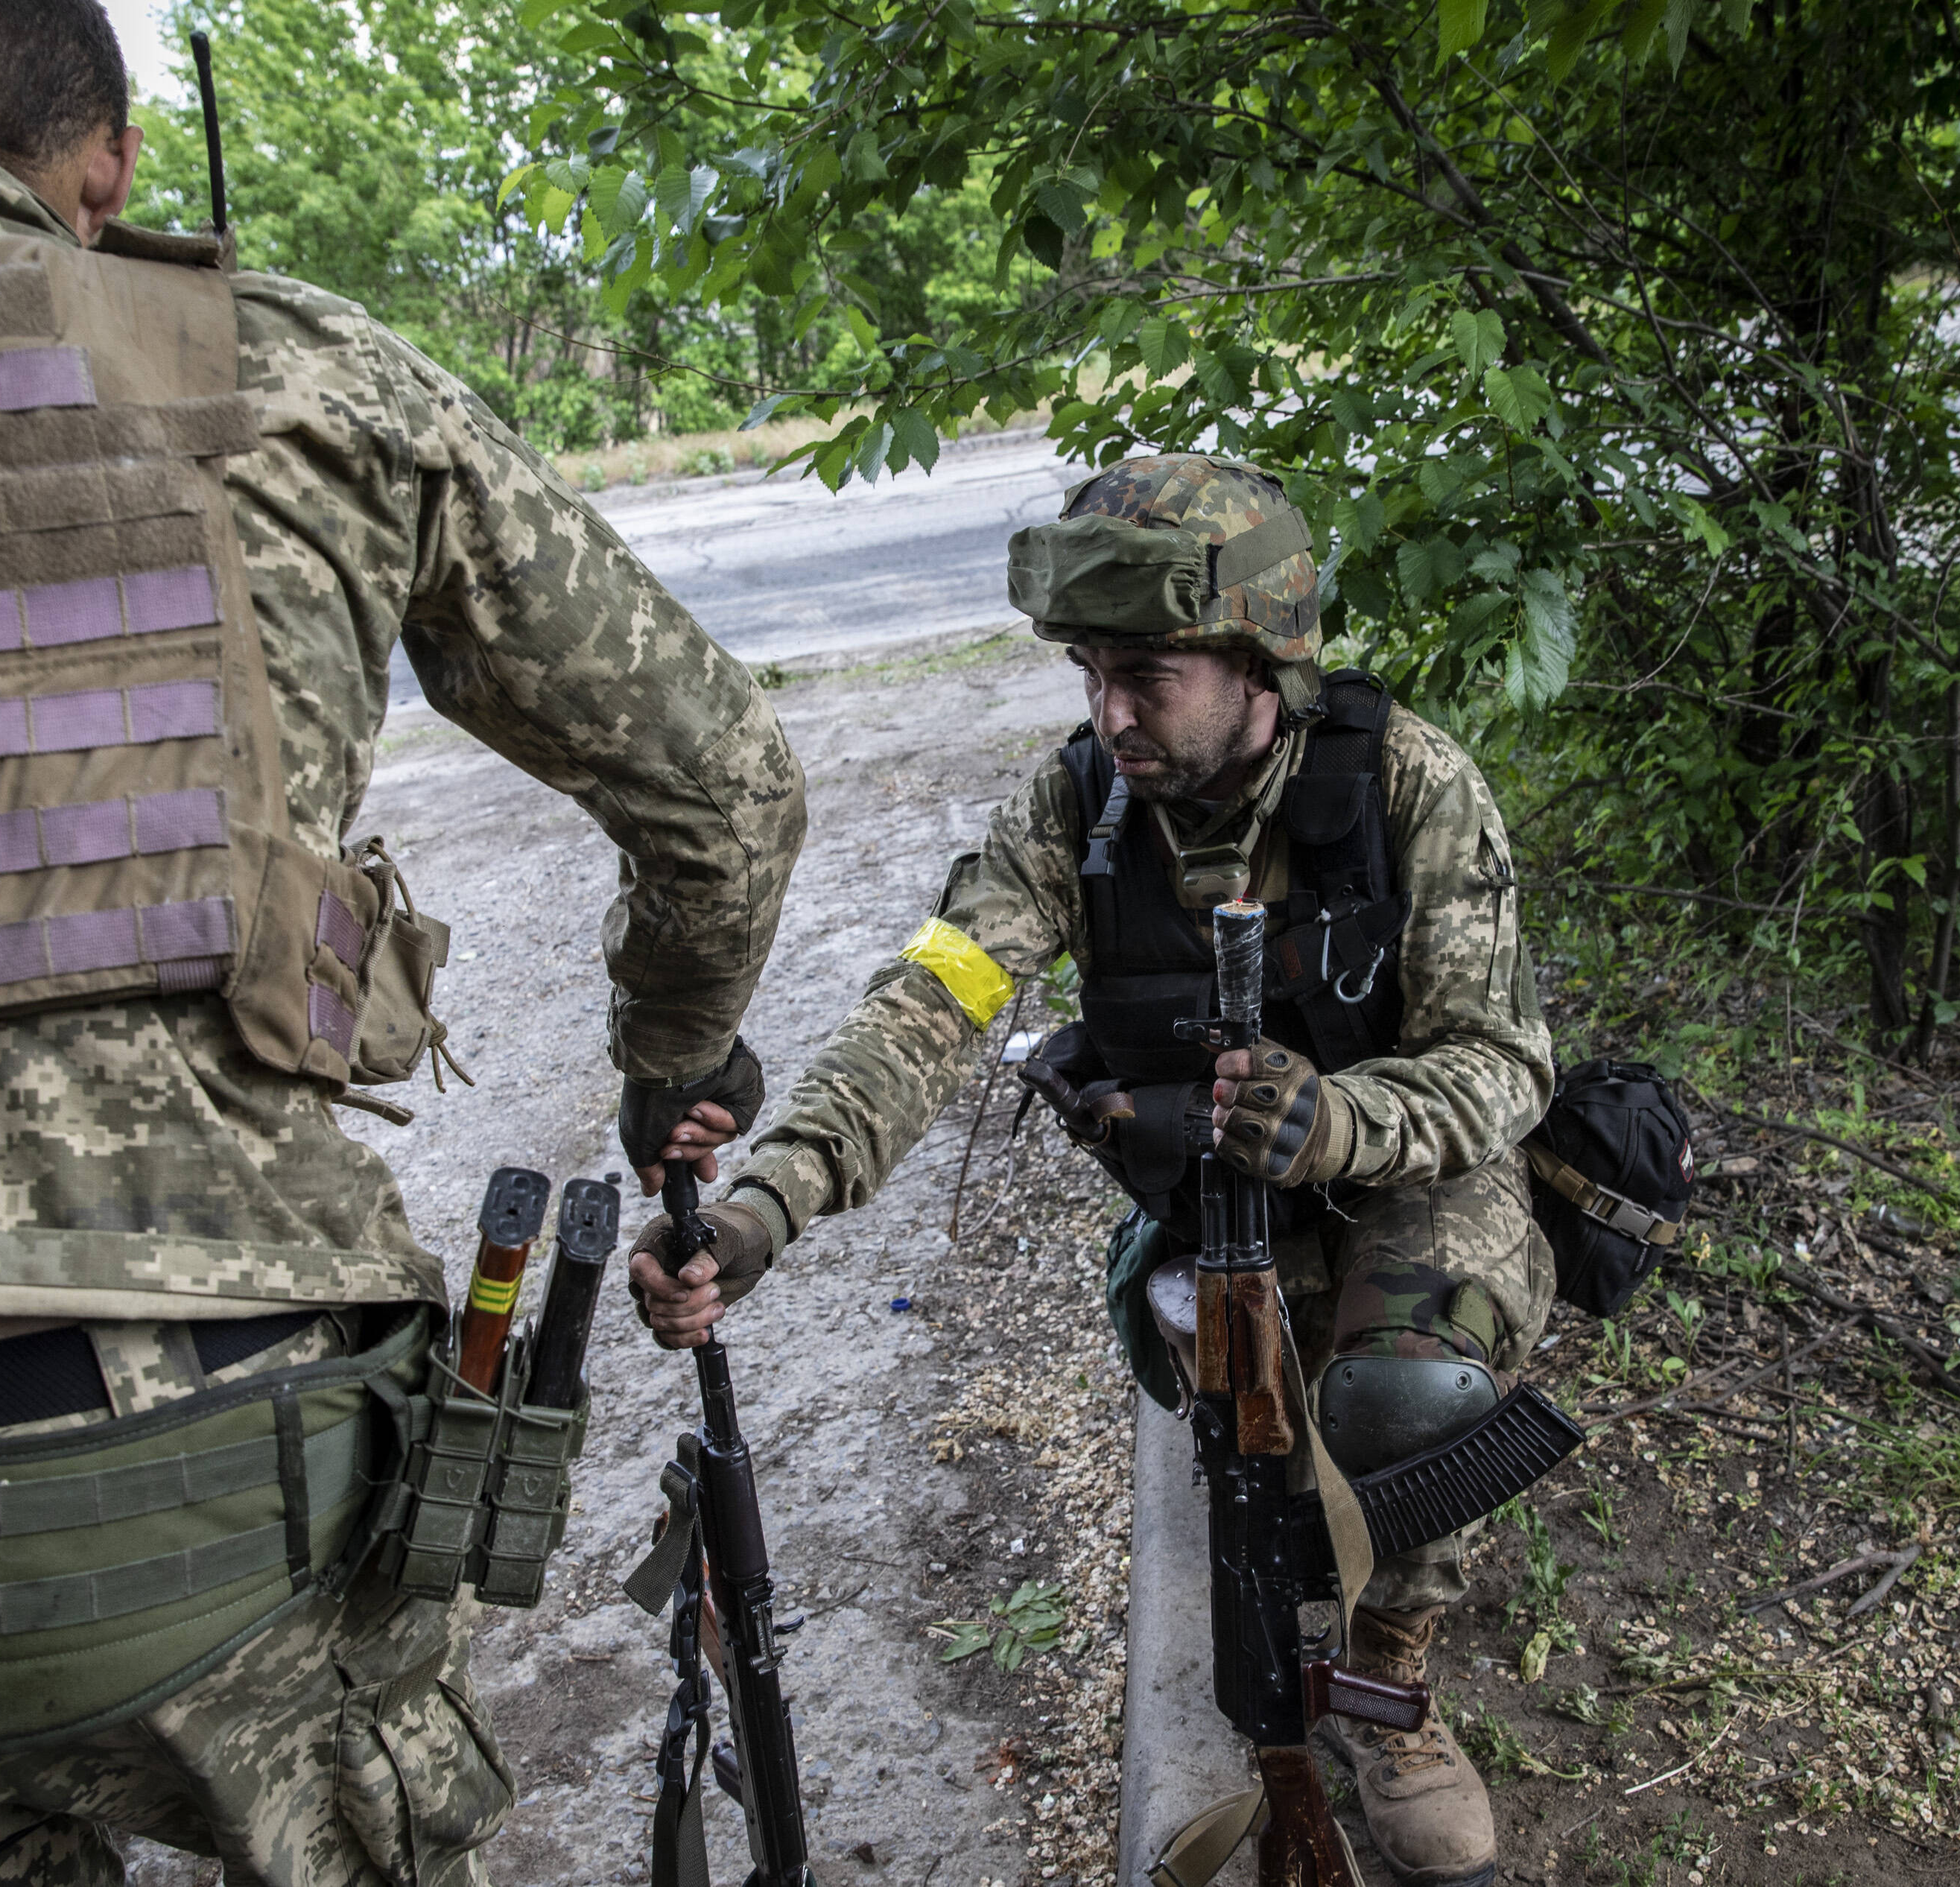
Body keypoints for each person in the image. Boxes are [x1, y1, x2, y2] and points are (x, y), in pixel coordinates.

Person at [0, 6, 798, 1883]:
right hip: (228, 1479)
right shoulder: (302, 379)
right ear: (106, 166)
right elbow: (731, 797)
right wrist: (664, 1053)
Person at [631, 453, 1554, 1887]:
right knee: (1235, 1416)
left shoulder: (1410, 785)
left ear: (1261, 660)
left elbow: (1503, 1067)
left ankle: (1391, 1679)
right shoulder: (1074, 807)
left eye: (1149, 674)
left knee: (1412, 1392)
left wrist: (1342, 1122)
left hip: (1405, 1179)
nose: (1109, 710)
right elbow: (929, 1006)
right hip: (1213, 1206)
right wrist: (769, 1204)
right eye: (1087, 671)